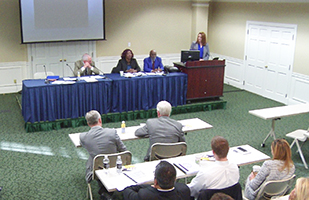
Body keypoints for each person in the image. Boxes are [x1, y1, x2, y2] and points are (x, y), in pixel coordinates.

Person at [79, 110, 127, 197]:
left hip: (96, 169)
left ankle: (104, 191)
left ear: (88, 123)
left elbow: (85, 146)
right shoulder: (112, 132)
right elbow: (124, 151)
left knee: (92, 158)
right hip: (115, 165)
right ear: (100, 120)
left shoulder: (83, 137)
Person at [123, 161, 191, 200]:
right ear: (175, 179)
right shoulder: (184, 190)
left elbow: (127, 190)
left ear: (155, 182)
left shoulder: (145, 195)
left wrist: (150, 186)